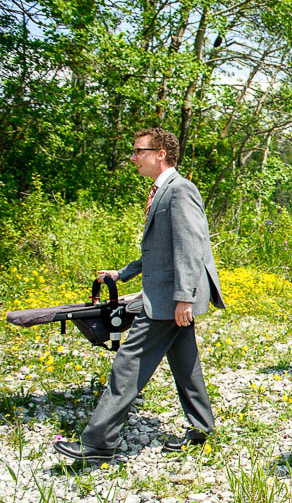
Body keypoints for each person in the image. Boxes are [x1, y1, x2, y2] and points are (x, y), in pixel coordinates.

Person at [53, 128, 225, 463]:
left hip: (169, 298)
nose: (133, 158)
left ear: (160, 153)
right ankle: (202, 429)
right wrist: (123, 273)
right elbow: (160, 250)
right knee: (185, 364)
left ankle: (98, 445)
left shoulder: (179, 190)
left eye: (138, 151)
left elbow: (190, 248)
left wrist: (184, 298)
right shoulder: (163, 192)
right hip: (169, 294)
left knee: (128, 364)